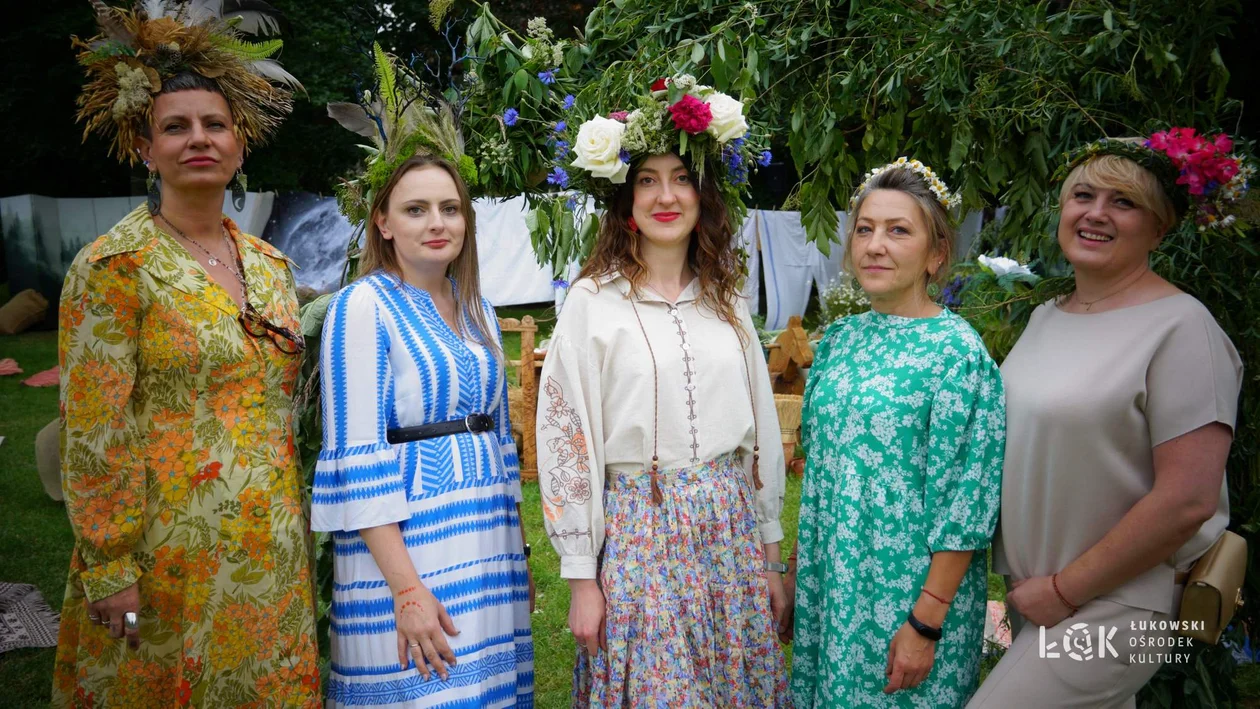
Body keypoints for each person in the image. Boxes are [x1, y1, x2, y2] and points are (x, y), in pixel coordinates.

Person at [53, 2, 318, 706]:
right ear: (145, 147)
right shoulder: (114, 267)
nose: (198, 138)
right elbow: (94, 428)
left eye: (214, 124)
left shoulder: (270, 267)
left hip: (270, 547)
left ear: (240, 144)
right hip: (163, 555)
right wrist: (110, 566)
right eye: (175, 126)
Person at [969, 131, 1246, 709]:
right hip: (1038, 596)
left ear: (1160, 227)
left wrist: (1065, 590)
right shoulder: (1048, 316)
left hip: (1118, 604)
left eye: (1123, 202)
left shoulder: (1183, 328)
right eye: (1083, 196)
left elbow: (1187, 501)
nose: (1096, 213)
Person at [537, 76, 790, 707]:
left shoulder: (727, 301)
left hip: (728, 531)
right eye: (647, 180)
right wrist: (581, 579)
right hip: (639, 533)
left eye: (681, 178)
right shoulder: (592, 304)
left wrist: (770, 555)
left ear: (704, 194)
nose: (666, 195)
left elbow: (760, 430)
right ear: (626, 199)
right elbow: (567, 440)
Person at [311, 146, 534, 704]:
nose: (437, 223)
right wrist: (407, 592)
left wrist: (521, 556)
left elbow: (501, 444)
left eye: (449, 208)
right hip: (411, 550)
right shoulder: (362, 306)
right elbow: (356, 460)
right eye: (416, 210)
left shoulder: (478, 308)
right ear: (382, 223)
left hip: (487, 541)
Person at [789, 159, 1005, 708]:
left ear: (936, 254)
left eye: (898, 230)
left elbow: (967, 505)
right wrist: (796, 574)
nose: (875, 245)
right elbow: (822, 473)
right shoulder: (840, 340)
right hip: (834, 584)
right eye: (865, 229)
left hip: (905, 601)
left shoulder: (957, 355)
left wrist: (925, 623)